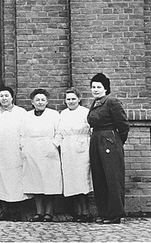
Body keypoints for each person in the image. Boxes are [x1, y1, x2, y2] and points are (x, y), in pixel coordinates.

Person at [88, 73, 129, 224]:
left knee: (112, 178)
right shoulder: (95, 103)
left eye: (99, 87)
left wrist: (116, 141)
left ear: (106, 88)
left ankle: (115, 214)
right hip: (96, 141)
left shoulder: (112, 101)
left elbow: (123, 125)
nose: (96, 90)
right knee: (99, 178)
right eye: (93, 87)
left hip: (109, 141)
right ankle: (104, 212)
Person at [20, 88, 62, 222]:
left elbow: (60, 133)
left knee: (49, 182)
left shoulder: (54, 115)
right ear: (32, 102)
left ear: (47, 101)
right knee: (35, 181)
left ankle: (49, 212)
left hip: (48, 152)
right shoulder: (26, 116)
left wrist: (53, 145)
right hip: (32, 151)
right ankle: (39, 212)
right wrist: (24, 148)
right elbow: (22, 134)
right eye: (37, 100)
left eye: (43, 99)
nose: (40, 102)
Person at [0, 86, 30, 221]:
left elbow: (25, 132)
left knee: (15, 181)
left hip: (15, 152)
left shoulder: (21, 113)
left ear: (12, 97)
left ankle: (16, 211)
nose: (4, 98)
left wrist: (23, 148)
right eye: (1, 96)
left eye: (7, 96)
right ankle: (5, 210)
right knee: (1, 180)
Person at [57, 87, 92, 222]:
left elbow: (91, 130)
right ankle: (77, 211)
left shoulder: (85, 112)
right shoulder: (63, 114)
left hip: (82, 148)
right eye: (68, 99)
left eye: (73, 99)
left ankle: (86, 212)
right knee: (71, 180)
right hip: (67, 149)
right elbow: (59, 132)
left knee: (82, 179)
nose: (71, 101)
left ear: (79, 99)